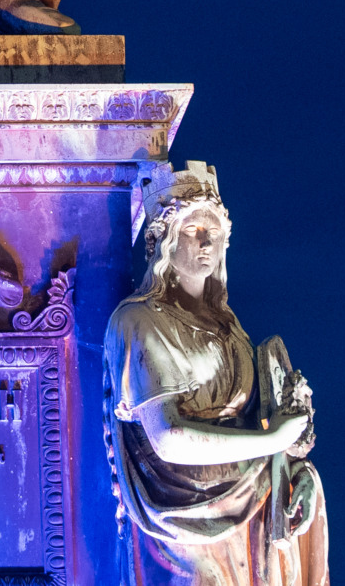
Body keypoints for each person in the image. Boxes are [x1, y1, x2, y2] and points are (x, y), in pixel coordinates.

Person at [104, 165, 330, 586]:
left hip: (253, 511)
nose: (206, 241)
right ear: (162, 241)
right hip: (181, 526)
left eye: (214, 230)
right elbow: (167, 437)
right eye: (192, 229)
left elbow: (255, 421)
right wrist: (274, 440)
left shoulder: (229, 329)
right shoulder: (140, 321)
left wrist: (293, 473)